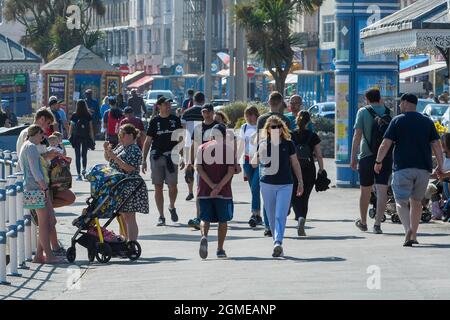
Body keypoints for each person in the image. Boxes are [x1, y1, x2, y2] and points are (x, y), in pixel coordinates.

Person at [375, 93, 443, 246]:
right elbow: (437, 146)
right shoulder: (427, 121)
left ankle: (407, 230)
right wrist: (439, 165)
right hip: (423, 169)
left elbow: (385, 144)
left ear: (405, 103)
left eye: (401, 103)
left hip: (402, 168)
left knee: (400, 201)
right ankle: (414, 235)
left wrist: (378, 161)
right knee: (417, 202)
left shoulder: (397, 121)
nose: (399, 105)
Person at [254, 116, 303, 257]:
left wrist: (300, 181)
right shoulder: (264, 144)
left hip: (285, 184)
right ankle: (277, 242)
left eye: (278, 127)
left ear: (282, 129)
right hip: (267, 184)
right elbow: (253, 164)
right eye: (273, 127)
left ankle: (278, 242)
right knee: (271, 216)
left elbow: (295, 163)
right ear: (268, 129)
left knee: (280, 215)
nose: (276, 129)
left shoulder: (289, 144)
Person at [19, 125, 66, 264]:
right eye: (42, 134)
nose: (43, 137)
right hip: (36, 189)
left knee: (50, 221)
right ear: (36, 133)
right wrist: (44, 188)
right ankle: (49, 256)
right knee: (45, 224)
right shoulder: (31, 147)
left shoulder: (26, 146)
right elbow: (35, 171)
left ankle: (39, 255)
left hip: (33, 188)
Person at [350, 88, 393, 234]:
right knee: (382, 190)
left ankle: (363, 222)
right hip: (384, 156)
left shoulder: (362, 112)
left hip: (366, 156)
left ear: (367, 99)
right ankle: (377, 224)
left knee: (365, 191)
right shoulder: (389, 112)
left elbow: (357, 135)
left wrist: (353, 157)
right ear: (379, 98)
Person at [142, 97, 184, 226]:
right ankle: (161, 216)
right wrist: (143, 160)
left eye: (169, 103)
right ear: (158, 106)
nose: (168, 106)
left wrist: (182, 156)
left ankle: (171, 206)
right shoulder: (154, 121)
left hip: (172, 156)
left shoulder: (175, 120)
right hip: (157, 156)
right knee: (158, 187)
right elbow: (148, 140)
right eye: (165, 104)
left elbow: (180, 139)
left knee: (173, 186)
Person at [196, 124, 235, 259]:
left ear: (211, 135)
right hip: (223, 192)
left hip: (205, 190)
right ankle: (220, 249)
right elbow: (231, 171)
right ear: (224, 136)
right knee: (223, 221)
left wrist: (211, 185)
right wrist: (218, 187)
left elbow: (199, 169)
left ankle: (204, 236)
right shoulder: (228, 150)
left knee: (204, 218)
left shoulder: (202, 148)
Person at [104, 124, 149, 241]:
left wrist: (114, 156)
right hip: (121, 185)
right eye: (119, 134)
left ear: (130, 135)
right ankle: (125, 240)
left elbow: (129, 168)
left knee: (129, 216)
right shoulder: (121, 146)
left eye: (122, 134)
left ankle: (132, 243)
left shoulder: (134, 149)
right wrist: (107, 151)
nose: (120, 137)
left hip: (130, 185)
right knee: (122, 216)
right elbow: (109, 158)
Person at [256, 91, 292, 236]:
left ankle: (268, 226)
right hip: (283, 160)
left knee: (266, 194)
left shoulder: (261, 119)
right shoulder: (286, 120)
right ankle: (281, 215)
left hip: (266, 160)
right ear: (281, 103)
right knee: (283, 191)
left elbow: (260, 139)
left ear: (269, 102)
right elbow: (289, 138)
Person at [291, 110, 324, 236]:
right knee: (305, 197)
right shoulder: (313, 135)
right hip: (309, 169)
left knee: (295, 195)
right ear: (309, 121)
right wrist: (321, 169)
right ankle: (302, 218)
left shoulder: (291, 135)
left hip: (293, 168)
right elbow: (319, 155)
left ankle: (298, 215)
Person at [187, 103, 219, 229]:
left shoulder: (218, 127)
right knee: (200, 191)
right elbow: (193, 145)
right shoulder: (198, 128)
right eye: (204, 112)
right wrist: (189, 161)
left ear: (212, 113)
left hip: (216, 164)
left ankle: (215, 215)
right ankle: (199, 216)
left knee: (216, 189)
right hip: (201, 163)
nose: (206, 114)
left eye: (208, 112)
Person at [239, 105, 262, 227]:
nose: (248, 117)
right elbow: (242, 145)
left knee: (255, 187)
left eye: (250, 114)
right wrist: (237, 160)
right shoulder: (244, 127)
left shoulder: (261, 126)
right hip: (247, 161)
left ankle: (254, 214)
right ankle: (258, 215)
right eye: (246, 115)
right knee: (254, 189)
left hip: (259, 161)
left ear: (255, 115)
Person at [181, 91, 205, 202]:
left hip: (188, 143)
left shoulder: (186, 112)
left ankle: (190, 192)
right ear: (203, 100)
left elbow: (183, 128)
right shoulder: (205, 112)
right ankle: (200, 189)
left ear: (193, 100)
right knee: (202, 167)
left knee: (189, 167)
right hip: (203, 143)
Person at [69, 99, 95, 180]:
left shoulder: (74, 115)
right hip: (86, 137)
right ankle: (84, 170)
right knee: (84, 155)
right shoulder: (88, 115)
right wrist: (93, 140)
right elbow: (91, 129)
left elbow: (71, 127)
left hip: (76, 137)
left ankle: (78, 174)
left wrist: (70, 136)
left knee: (77, 156)